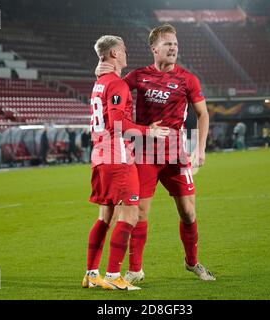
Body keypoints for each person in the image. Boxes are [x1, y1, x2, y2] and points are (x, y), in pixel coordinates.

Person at [96, 24, 215, 283]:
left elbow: (202, 113)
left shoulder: (188, 79)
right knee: (138, 213)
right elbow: (112, 88)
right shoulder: (138, 76)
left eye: (175, 44)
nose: (173, 48)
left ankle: (192, 262)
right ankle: (135, 269)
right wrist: (99, 75)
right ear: (154, 48)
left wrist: (200, 147)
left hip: (176, 156)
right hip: (145, 155)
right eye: (168, 44)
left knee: (188, 212)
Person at [82, 35, 170, 290]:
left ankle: (91, 273)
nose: (126, 53)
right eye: (123, 50)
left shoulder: (99, 83)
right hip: (117, 156)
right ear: (113, 55)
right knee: (130, 214)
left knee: (105, 216)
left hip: (99, 155)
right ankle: (112, 276)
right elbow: (118, 124)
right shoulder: (117, 84)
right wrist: (148, 131)